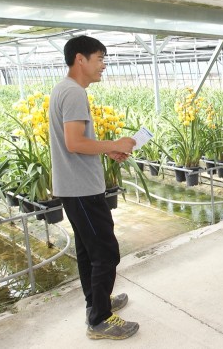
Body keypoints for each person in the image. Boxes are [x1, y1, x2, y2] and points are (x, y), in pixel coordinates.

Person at [49, 35, 139, 340]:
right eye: (99, 59)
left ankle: (97, 302)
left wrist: (107, 150)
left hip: (75, 186)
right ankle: (99, 319)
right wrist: (114, 143)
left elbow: (77, 142)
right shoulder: (74, 93)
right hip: (81, 189)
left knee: (89, 251)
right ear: (80, 59)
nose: (103, 66)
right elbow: (74, 143)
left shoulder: (64, 89)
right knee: (105, 252)